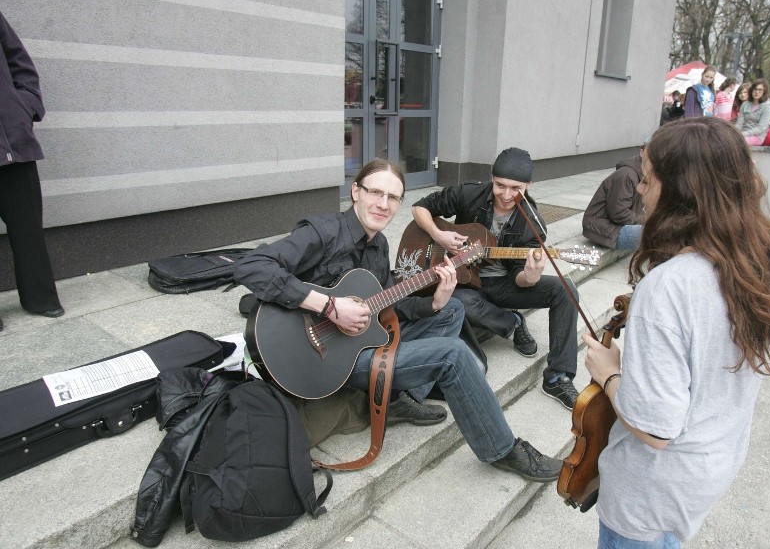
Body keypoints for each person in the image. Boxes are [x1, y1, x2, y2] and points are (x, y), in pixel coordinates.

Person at [233, 159, 563, 482]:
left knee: (452, 311)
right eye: (376, 192)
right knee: (454, 354)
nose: (383, 204)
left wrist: (434, 302)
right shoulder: (322, 232)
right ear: (355, 192)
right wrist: (329, 306)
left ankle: (400, 398)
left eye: (393, 198)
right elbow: (251, 266)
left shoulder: (378, 246)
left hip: (359, 341)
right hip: (325, 358)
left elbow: (389, 304)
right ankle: (503, 449)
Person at [582, 117, 770, 547]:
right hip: (708, 468)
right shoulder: (749, 260)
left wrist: (608, 372)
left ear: (680, 191)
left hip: (651, 495)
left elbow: (656, 427)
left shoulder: (668, 286)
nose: (640, 191)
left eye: (646, 180)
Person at [411, 148, 582, 410]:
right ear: (491, 178)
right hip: (463, 279)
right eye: (500, 185)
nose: (506, 195)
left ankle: (558, 376)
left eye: (516, 188)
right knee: (454, 299)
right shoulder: (470, 194)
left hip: (503, 283)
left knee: (566, 289)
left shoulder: (532, 224)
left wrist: (530, 276)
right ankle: (512, 323)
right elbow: (420, 207)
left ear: (528, 186)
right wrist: (438, 235)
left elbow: (519, 278)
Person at [0, 10, 64, 330]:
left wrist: (26, 106)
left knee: (28, 229)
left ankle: (40, 298)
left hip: (12, 143)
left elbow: (19, 62)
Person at [582, 140, 646, 250]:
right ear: (642, 151)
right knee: (656, 235)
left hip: (618, 225)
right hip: (604, 228)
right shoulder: (626, 174)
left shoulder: (645, 173)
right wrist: (646, 220)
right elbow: (619, 213)